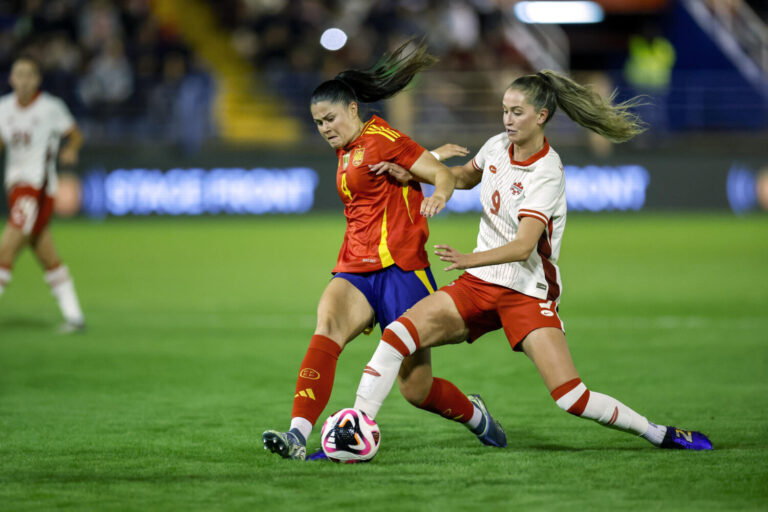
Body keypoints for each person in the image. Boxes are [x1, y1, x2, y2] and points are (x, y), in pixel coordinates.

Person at [351, 70, 713, 451]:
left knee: (571, 397)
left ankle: (659, 433)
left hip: (526, 291)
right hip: (479, 285)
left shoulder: (547, 171)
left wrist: (469, 258)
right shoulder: (495, 147)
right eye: (505, 111)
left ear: (541, 116)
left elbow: (524, 246)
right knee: (397, 336)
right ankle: (356, 428)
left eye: (517, 112)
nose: (507, 119)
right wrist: (414, 174)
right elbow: (463, 177)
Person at [262, 40, 507, 461]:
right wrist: (424, 159)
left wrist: (439, 194)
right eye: (318, 122)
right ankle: (298, 435)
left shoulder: (381, 137)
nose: (324, 128)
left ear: (353, 110)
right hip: (355, 267)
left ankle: (475, 416)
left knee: (417, 389)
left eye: (330, 118)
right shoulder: (346, 149)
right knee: (328, 328)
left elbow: (439, 175)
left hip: (401, 269)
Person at [0, 56, 86, 332]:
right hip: (16, 187)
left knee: (5, 249)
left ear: (37, 79)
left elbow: (74, 134)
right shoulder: (3, 108)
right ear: (11, 79)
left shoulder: (51, 107)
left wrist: (71, 148)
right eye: (18, 74)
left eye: (29, 74)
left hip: (37, 187)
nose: (23, 80)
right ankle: (75, 318)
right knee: (46, 253)